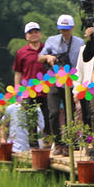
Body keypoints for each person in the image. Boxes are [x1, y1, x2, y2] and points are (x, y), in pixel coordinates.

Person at [40, 14, 83, 152]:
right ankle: (58, 142)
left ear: (72, 28)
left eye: (67, 29)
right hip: (55, 79)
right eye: (62, 29)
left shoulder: (79, 42)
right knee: (53, 112)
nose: (64, 32)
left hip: (71, 80)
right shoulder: (51, 40)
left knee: (71, 112)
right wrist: (48, 57)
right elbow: (39, 57)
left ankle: (70, 142)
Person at [12, 21, 44, 86]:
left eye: (36, 32)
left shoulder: (48, 49)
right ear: (26, 36)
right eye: (30, 33)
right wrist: (17, 89)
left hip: (46, 88)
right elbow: (18, 73)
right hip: (28, 89)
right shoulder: (21, 52)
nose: (33, 35)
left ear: (40, 34)